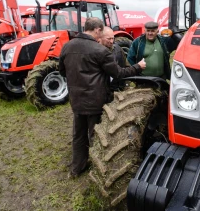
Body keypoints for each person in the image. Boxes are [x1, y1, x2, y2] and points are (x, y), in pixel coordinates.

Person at [59, 17, 146, 178]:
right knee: (96, 135)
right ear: (97, 30)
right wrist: (138, 67)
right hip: (95, 100)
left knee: (78, 134)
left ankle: (77, 168)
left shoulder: (67, 46)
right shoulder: (99, 51)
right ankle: (98, 170)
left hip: (76, 99)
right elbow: (119, 73)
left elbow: (62, 71)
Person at [99, 27, 130, 91]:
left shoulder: (118, 49)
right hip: (102, 90)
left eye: (112, 38)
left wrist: (126, 84)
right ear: (101, 37)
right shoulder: (95, 52)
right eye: (109, 39)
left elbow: (126, 66)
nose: (111, 41)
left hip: (118, 88)